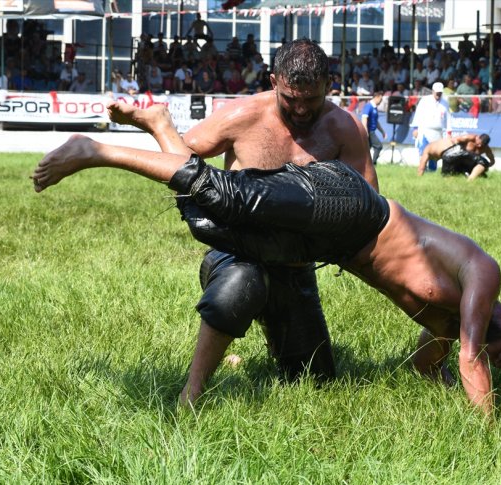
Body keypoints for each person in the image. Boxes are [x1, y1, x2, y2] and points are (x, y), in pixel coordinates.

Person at [31, 104, 501, 416]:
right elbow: (472, 357)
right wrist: (489, 432)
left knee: (208, 223)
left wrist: (436, 379)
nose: (495, 367)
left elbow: (422, 369)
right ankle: (96, 149)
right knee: (229, 197)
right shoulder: (484, 276)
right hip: (356, 212)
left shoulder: (443, 326)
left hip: (329, 248)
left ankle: (159, 123)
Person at [34, 39, 377, 405]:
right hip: (235, 253)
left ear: (329, 85)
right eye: (290, 98)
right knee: (241, 282)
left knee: (316, 382)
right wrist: (161, 134)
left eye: (311, 100)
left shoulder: (346, 129)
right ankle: (191, 393)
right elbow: (182, 163)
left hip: (295, 268)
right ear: (274, 80)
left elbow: (368, 206)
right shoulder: (242, 115)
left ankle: (260, 335)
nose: (301, 110)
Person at [410, 81, 451, 173]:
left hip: (438, 132)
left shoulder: (445, 102)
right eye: (437, 93)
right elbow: (418, 114)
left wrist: (449, 132)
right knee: (423, 151)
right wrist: (415, 128)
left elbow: (448, 118)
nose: (438, 95)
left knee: (435, 154)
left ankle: (432, 170)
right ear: (433, 91)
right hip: (425, 130)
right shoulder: (425, 100)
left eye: (440, 93)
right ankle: (421, 170)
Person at [417, 133, 495, 180]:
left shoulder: (486, 148)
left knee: (482, 171)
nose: (479, 145)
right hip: (457, 154)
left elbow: (492, 160)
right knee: (450, 175)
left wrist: (489, 165)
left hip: (461, 157)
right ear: (478, 138)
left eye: (482, 145)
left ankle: (469, 178)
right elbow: (455, 140)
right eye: (479, 143)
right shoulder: (470, 138)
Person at [361, 91, 386, 165]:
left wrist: (382, 132)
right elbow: (364, 118)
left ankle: (366, 165)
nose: (381, 101)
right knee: (378, 146)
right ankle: (372, 164)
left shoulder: (375, 107)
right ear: (377, 97)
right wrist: (365, 131)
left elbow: (376, 122)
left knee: (367, 150)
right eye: (380, 99)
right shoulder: (369, 106)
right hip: (369, 131)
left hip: (372, 131)